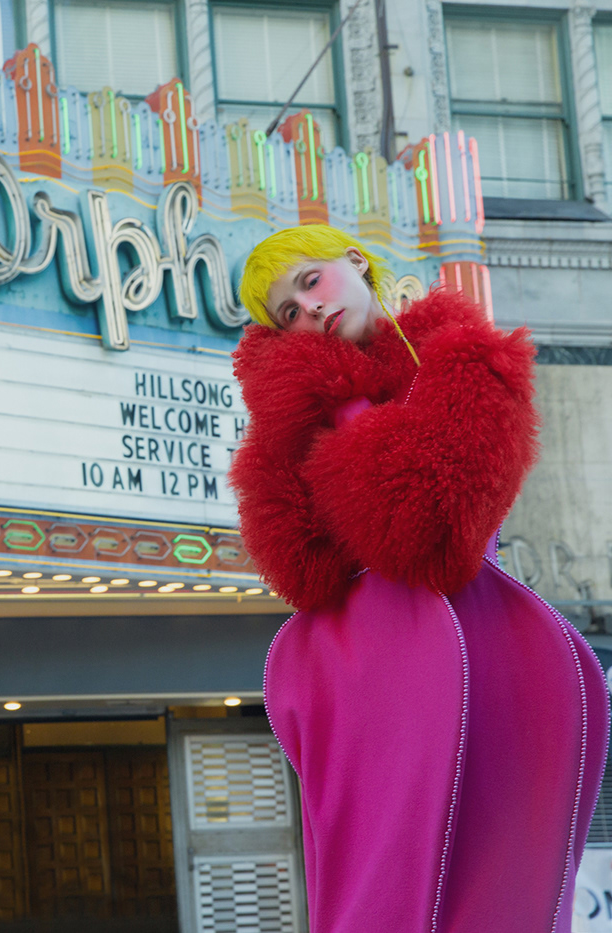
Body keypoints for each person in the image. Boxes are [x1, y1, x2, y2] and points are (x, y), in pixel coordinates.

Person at [229, 225, 609, 933]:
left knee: (494, 875)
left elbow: (424, 529)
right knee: (371, 880)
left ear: (354, 261)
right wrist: (286, 403)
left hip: (481, 651)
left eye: (309, 283)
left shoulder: (468, 358)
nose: (308, 311)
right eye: (286, 313)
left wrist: (333, 398)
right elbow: (300, 561)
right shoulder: (294, 408)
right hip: (363, 676)